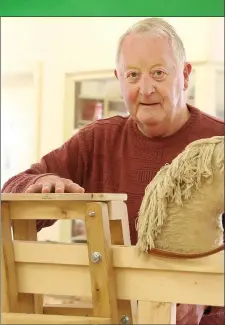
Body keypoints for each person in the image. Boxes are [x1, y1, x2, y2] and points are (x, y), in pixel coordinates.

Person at [2, 18, 224, 324]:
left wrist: (207, 296)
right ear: (119, 79)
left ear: (185, 76)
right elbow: (13, 189)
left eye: (158, 73)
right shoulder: (97, 141)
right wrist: (42, 183)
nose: (146, 89)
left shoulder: (219, 147)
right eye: (133, 75)